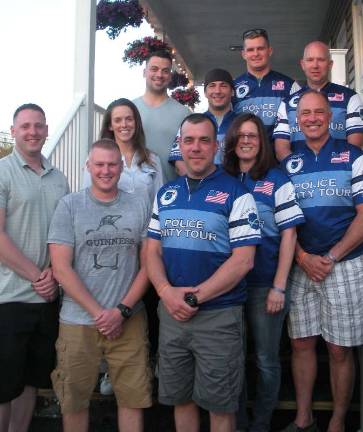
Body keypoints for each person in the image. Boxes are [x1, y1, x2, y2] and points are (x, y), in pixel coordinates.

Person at [147, 113, 261, 432]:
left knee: (220, 406)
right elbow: (152, 251)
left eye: (204, 140)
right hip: (171, 313)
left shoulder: (238, 194)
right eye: (189, 140)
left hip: (218, 317)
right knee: (180, 400)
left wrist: (196, 297)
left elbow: (243, 261)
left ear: (216, 146)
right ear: (180, 145)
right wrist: (166, 292)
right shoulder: (166, 193)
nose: (195, 148)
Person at [48, 139, 152, 432]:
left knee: (132, 399)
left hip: (129, 318)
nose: (106, 171)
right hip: (78, 321)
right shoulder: (69, 205)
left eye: (112, 164)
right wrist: (101, 314)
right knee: (74, 401)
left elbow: (150, 264)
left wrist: (121, 311)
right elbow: (61, 268)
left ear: (121, 167)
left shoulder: (139, 203)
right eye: (99, 164)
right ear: (88, 167)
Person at [280, 90, 363, 432]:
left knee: (339, 349)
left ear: (331, 117)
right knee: (301, 344)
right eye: (305, 113)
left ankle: (338, 422)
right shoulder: (287, 164)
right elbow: (280, 220)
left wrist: (329, 257)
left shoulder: (353, 156)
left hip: (343, 265)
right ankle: (303, 418)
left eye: (319, 112)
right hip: (302, 267)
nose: (312, 118)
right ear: (298, 121)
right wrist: (301, 257)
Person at [223, 113, 305, 432]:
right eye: (240, 135)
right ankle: (237, 424)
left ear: (262, 141)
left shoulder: (277, 179)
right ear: (231, 141)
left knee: (266, 360)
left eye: (253, 135)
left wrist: (279, 287)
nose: (246, 140)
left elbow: (290, 234)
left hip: (264, 286)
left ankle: (260, 424)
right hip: (227, 288)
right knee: (233, 361)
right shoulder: (221, 179)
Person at [0, 103, 69, 432]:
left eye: (38, 126)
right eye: (25, 126)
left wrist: (54, 275)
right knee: (3, 387)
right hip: (9, 297)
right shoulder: (3, 172)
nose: (32, 132)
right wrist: (37, 276)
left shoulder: (59, 179)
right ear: (14, 131)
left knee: (30, 381)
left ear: (46, 130)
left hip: (46, 299)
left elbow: (65, 236)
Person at [274, 40, 363, 160]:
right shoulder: (287, 103)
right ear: (303, 64)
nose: (315, 65)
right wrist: (298, 171)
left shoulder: (350, 97)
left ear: (330, 64)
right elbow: (281, 149)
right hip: (300, 175)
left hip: (340, 173)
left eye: (321, 60)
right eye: (310, 60)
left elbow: (355, 145)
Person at [83, 98, 163, 207]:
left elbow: (160, 203)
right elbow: (86, 200)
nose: (124, 124)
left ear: (136, 122)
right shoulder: (95, 159)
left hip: (147, 223)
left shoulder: (152, 159)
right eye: (117, 120)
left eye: (129, 119)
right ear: (110, 125)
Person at [133, 50, 190, 182]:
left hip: (170, 193)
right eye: (154, 69)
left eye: (165, 71)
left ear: (170, 77)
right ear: (144, 72)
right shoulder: (130, 110)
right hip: (132, 192)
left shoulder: (183, 114)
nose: (159, 74)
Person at [233, 28, 296, 144]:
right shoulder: (233, 88)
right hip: (245, 157)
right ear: (243, 54)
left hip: (279, 159)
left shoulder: (290, 86)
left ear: (270, 51)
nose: (256, 54)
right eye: (251, 50)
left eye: (260, 48)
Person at [169, 68, 236, 173]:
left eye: (223, 86)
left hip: (234, 187)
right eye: (212, 86)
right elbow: (179, 162)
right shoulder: (192, 122)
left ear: (232, 92)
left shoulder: (242, 123)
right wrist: (201, 186)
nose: (217, 91)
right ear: (205, 92)